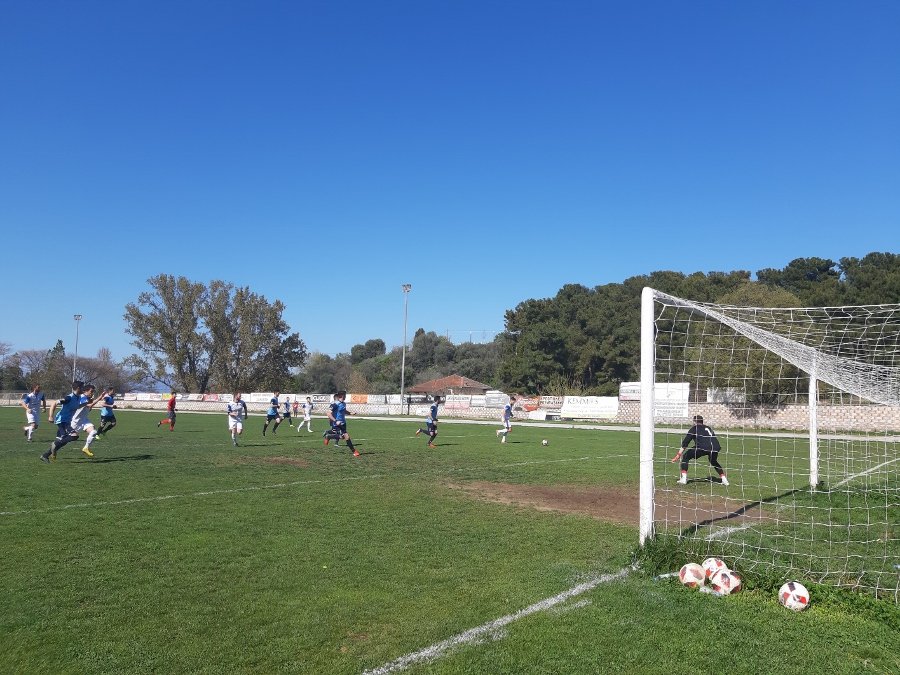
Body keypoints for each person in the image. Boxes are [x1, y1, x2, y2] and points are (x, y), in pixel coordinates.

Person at [41, 381, 97, 462]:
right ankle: (55, 445)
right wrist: (50, 416)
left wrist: (86, 403)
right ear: (78, 388)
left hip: (67, 421)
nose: (84, 389)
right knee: (74, 436)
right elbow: (54, 403)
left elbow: (77, 407)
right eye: (82, 387)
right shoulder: (69, 398)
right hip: (62, 421)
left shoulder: (77, 397)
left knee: (63, 441)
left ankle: (45, 455)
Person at [671, 415, 729, 485]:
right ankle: (724, 480)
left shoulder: (694, 428)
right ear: (702, 421)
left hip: (702, 447)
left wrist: (678, 455)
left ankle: (683, 479)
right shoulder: (708, 428)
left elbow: (685, 443)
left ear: (694, 422)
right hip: (715, 447)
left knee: (686, 456)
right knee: (713, 461)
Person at [325, 390, 360, 457]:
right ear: (341, 396)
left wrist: (350, 413)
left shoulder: (344, 404)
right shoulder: (334, 404)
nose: (345, 397)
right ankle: (328, 436)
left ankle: (354, 451)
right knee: (344, 436)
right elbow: (328, 413)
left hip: (343, 423)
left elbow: (344, 411)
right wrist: (335, 421)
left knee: (346, 437)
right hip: (336, 424)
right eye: (345, 396)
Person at [72, 384, 102, 457]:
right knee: (67, 439)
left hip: (84, 420)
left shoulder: (88, 398)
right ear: (85, 391)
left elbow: (88, 408)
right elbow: (89, 405)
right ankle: (53, 449)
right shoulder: (82, 397)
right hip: (76, 421)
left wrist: (91, 401)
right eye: (91, 391)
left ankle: (86, 448)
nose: (92, 393)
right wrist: (99, 398)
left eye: (93, 392)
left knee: (93, 432)